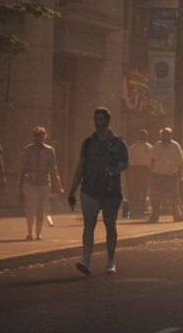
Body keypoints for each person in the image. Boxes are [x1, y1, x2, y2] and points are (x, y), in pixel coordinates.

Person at [65, 107, 129, 275]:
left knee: (110, 225)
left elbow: (125, 164)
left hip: (111, 192)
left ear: (107, 121)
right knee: (88, 226)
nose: (99, 122)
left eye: (102, 119)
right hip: (90, 190)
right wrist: (71, 190)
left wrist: (114, 169)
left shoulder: (118, 142)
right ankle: (86, 261)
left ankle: (110, 261)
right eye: (96, 119)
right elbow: (80, 166)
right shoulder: (88, 143)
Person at [17, 127, 61, 240]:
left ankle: (38, 233)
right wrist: (20, 186)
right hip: (30, 182)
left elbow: (53, 168)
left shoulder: (49, 150)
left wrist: (57, 184)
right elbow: (23, 168)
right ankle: (29, 232)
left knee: (40, 208)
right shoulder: (28, 149)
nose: (38, 138)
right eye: (36, 136)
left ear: (44, 136)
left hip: (44, 182)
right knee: (30, 207)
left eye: (41, 136)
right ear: (33, 136)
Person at [148, 127, 183, 223]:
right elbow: (152, 160)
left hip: (172, 174)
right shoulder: (156, 146)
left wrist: (180, 176)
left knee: (174, 197)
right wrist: (151, 174)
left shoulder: (175, 146)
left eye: (168, 134)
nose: (165, 136)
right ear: (161, 135)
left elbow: (180, 162)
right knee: (156, 197)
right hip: (158, 174)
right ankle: (154, 216)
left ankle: (177, 215)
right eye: (164, 134)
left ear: (171, 135)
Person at [126, 129, 153, 218]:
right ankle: (136, 209)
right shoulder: (134, 147)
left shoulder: (148, 147)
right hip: (137, 169)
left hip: (142, 169)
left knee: (141, 190)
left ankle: (139, 209)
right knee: (138, 190)